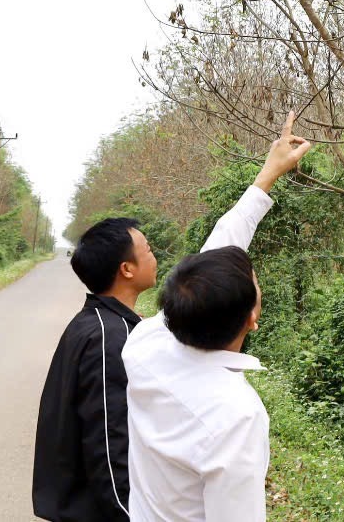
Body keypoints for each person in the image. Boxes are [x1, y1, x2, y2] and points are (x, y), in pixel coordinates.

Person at [123, 111, 311, 522]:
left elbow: (216, 251)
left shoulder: (144, 344)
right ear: (252, 320)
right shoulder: (235, 415)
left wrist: (267, 176)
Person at [33, 213, 158, 520]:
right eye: (148, 250)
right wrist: (129, 513)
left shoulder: (102, 324)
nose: (155, 257)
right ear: (127, 269)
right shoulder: (108, 337)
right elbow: (107, 438)